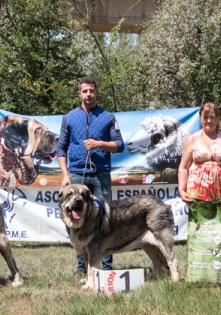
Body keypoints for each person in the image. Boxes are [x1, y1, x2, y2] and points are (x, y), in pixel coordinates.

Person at [57, 77, 124, 276]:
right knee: (77, 217)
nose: (88, 94)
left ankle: (107, 266)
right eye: (84, 91)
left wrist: (99, 144)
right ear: (79, 94)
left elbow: (119, 145)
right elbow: (61, 149)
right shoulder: (69, 118)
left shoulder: (108, 116)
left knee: (105, 219)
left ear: (96, 93)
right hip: (77, 175)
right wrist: (65, 175)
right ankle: (81, 267)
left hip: (100, 174)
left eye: (91, 91)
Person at [178, 102, 221, 208]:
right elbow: (183, 168)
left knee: (219, 223)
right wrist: (181, 190)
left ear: (218, 118)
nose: (209, 121)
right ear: (200, 118)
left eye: (212, 117)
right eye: (205, 117)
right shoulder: (191, 139)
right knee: (197, 224)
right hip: (196, 190)